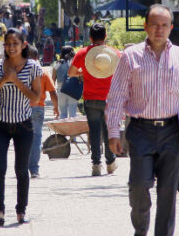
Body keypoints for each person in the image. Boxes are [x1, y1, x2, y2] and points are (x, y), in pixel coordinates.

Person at [105, 4, 179, 236]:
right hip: (140, 131)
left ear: (171, 28)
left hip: (173, 131)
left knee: (167, 192)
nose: (159, 29)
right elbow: (116, 96)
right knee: (139, 186)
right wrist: (114, 132)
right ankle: (140, 229)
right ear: (146, 27)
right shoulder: (131, 57)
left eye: (164, 25)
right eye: (155, 24)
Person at [0, 28, 42, 226]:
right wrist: (3, 80)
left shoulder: (33, 66)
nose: (11, 47)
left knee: (21, 169)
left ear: (23, 45)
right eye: (7, 44)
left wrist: (16, 81)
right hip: (0, 123)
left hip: (23, 124)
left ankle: (21, 211)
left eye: (15, 44)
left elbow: (35, 98)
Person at [69, 23, 121, 176]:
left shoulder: (83, 53)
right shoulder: (115, 54)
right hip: (110, 100)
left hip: (90, 98)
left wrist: (84, 71)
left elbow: (71, 73)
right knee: (109, 132)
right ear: (105, 36)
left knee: (94, 131)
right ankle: (110, 162)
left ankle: (96, 165)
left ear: (90, 37)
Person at [27, 45, 58, 178]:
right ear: (36, 57)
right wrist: (56, 107)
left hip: (21, 108)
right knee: (36, 138)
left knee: (21, 138)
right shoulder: (43, 72)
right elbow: (52, 92)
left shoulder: (19, 70)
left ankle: (22, 166)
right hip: (38, 107)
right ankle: (34, 169)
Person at [52, 45, 77, 119]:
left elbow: (52, 80)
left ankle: (63, 130)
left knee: (63, 115)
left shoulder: (57, 64)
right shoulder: (73, 63)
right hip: (73, 90)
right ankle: (73, 130)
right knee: (73, 115)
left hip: (60, 90)